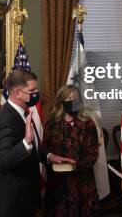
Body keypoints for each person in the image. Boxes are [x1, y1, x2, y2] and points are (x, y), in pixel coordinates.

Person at [0, 69, 74, 217]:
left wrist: (49, 156)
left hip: (26, 199)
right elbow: (3, 163)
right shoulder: (5, 120)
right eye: (32, 90)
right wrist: (25, 142)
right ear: (17, 92)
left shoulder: (23, 112)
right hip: (13, 205)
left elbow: (32, 147)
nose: (37, 93)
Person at [43, 85, 100, 217]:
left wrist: (75, 165)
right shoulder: (51, 124)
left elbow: (93, 155)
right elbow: (45, 150)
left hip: (82, 185)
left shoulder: (88, 124)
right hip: (58, 184)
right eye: (69, 98)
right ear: (61, 101)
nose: (73, 101)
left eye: (76, 98)